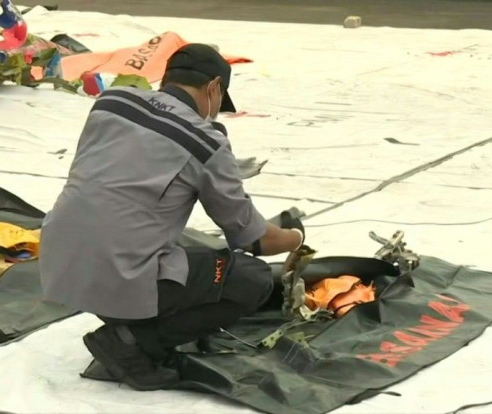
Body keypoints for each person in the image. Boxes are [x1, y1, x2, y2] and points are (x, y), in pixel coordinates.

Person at [39, 44, 305, 391]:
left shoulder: (111, 102)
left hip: (60, 264)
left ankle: (127, 320)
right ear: (213, 89)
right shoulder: (206, 143)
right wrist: (295, 238)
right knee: (250, 278)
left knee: (176, 241)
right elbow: (253, 239)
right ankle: (131, 343)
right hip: (121, 275)